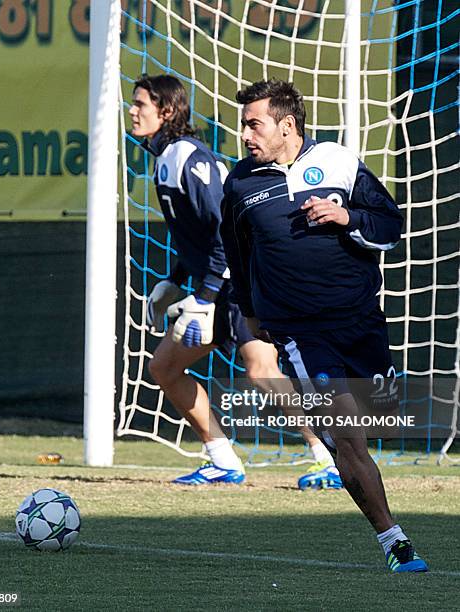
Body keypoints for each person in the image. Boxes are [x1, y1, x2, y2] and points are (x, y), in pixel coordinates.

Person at [220, 78, 428, 572]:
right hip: (298, 332)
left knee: (370, 421)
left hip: (359, 322)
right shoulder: (240, 183)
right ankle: (393, 541)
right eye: (243, 124)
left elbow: (389, 224)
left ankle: (344, 456)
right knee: (347, 437)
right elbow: (237, 252)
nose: (245, 134)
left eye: (254, 124)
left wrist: (345, 215)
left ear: (287, 125)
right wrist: (252, 313)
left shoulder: (337, 160)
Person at [128, 74, 340, 487]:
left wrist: (205, 298)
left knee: (262, 369)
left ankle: (330, 458)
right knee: (165, 368)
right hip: (216, 283)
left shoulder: (185, 155)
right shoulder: (166, 156)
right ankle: (223, 460)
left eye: (141, 104)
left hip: (239, 280)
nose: (133, 111)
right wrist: (174, 280)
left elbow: (228, 229)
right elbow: (200, 233)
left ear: (166, 111)